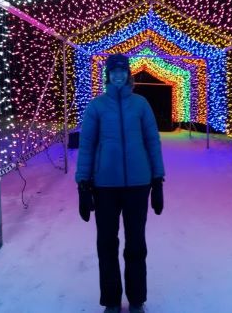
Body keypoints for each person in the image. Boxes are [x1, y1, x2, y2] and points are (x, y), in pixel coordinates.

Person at [75, 53, 165, 313]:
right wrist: (83, 184)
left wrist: (157, 180)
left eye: (122, 71)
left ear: (128, 74)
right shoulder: (97, 107)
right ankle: (112, 301)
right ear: (107, 75)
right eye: (113, 71)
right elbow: (87, 146)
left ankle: (136, 299)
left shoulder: (141, 105)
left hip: (138, 185)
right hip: (105, 187)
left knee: (136, 243)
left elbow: (152, 142)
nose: (117, 75)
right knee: (106, 243)